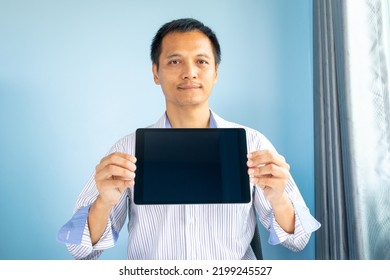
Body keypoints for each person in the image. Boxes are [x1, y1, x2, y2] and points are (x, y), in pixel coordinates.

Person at [57, 18, 320, 260]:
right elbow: (80, 251)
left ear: (216, 72)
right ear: (155, 73)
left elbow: (298, 240)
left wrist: (278, 199)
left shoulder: (253, 144)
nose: (189, 72)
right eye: (174, 61)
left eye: (201, 61)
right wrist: (104, 202)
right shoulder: (128, 150)